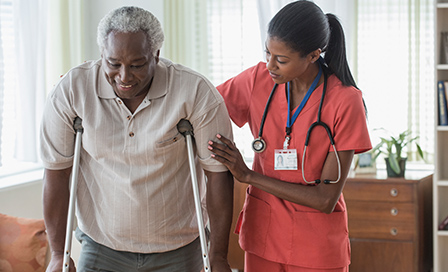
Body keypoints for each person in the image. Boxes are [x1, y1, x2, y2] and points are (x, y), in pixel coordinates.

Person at [41, 6, 234, 272]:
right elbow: (56, 173)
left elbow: (218, 176)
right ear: (102, 54)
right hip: (101, 246)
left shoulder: (196, 92)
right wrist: (56, 253)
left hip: (178, 248)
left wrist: (219, 256)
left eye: (137, 65)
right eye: (113, 64)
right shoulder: (73, 90)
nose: (124, 77)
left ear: (156, 54)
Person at [208, 1, 372, 271]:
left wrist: (248, 175)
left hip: (316, 246)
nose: (270, 65)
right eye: (267, 53)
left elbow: (325, 198)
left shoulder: (345, 101)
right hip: (263, 235)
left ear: (313, 55)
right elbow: (204, 107)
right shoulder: (256, 80)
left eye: (281, 60)